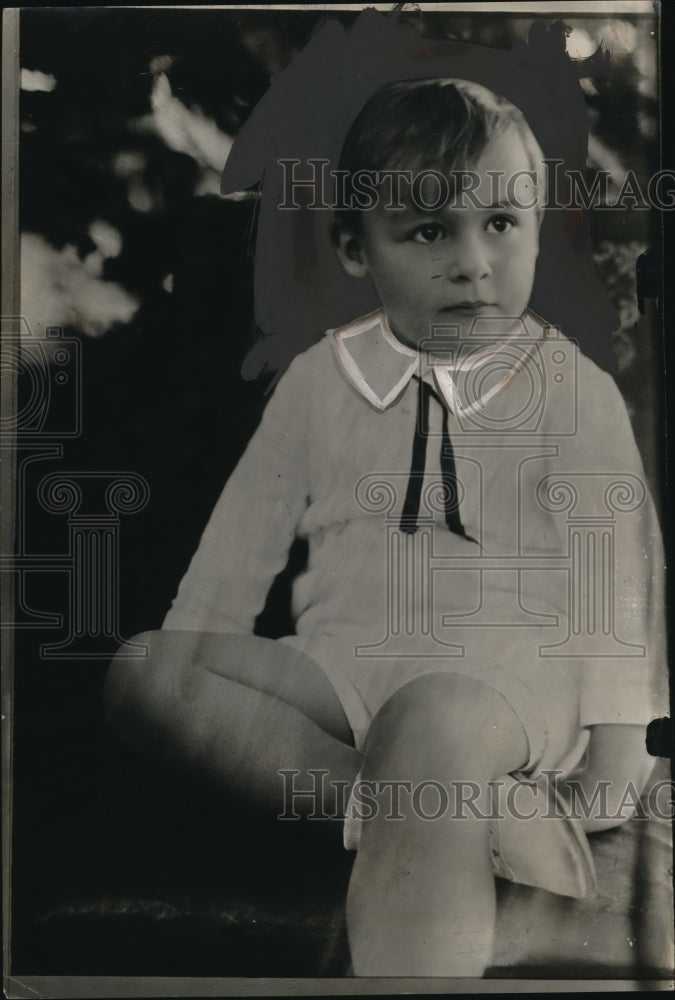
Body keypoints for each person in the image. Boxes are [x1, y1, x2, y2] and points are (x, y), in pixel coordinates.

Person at [105, 75, 664, 977]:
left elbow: (618, 587)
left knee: (434, 720)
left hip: (503, 682)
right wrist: (192, 666)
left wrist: (611, 763)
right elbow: (232, 560)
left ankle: (432, 832)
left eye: (501, 225)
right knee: (141, 667)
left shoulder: (569, 391)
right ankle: (409, 803)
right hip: (343, 670)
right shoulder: (320, 382)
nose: (473, 263)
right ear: (355, 248)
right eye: (429, 231)